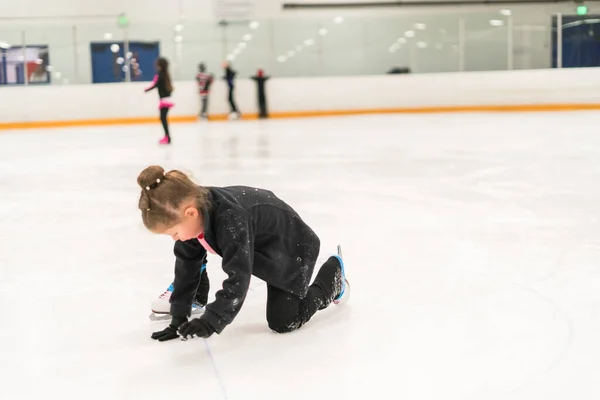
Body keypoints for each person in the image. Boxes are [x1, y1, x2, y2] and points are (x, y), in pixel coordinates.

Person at [137, 165, 349, 342]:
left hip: (291, 247)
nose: (174, 238)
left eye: (173, 232)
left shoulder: (231, 220)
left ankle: (332, 279)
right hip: (260, 246)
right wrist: (179, 317)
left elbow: (239, 276)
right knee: (190, 252)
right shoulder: (192, 211)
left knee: (283, 321)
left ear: (190, 213)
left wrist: (212, 320)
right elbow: (187, 266)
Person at [145, 57, 174, 145]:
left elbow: (155, 85)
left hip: (164, 101)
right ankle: (167, 136)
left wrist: (147, 90)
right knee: (163, 118)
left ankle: (167, 137)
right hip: (167, 99)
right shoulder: (165, 74)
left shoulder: (160, 74)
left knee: (163, 118)